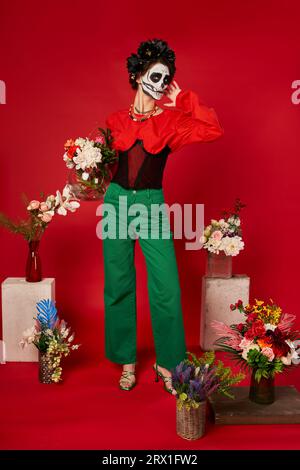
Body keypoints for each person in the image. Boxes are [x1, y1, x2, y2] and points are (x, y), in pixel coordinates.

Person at [102, 38, 223, 395]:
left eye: (166, 78)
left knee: (167, 286)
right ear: (138, 75)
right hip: (116, 204)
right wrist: (83, 178)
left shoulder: (172, 122)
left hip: (152, 205)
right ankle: (126, 361)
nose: (159, 83)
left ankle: (169, 362)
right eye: (155, 75)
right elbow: (102, 171)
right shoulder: (114, 121)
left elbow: (213, 129)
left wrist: (183, 99)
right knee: (118, 282)